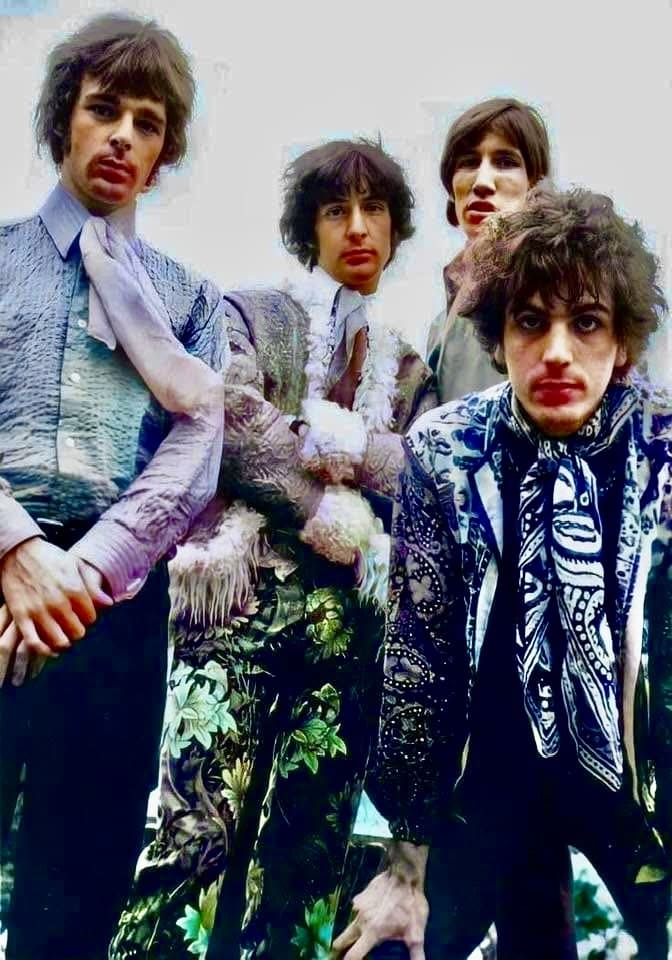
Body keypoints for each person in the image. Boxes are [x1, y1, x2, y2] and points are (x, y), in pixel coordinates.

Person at [109, 138, 436, 960]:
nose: (356, 227)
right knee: (192, 841)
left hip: (348, 633)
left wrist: (347, 444)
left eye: (374, 210)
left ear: (394, 228)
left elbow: (420, 470)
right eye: (336, 210)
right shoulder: (249, 311)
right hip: (237, 608)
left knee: (303, 866)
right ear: (307, 227)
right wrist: (331, 503)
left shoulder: (409, 364)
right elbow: (233, 422)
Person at [333, 186, 672, 960]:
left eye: (586, 322)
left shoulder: (662, 449)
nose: (556, 351)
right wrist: (404, 865)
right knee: (391, 944)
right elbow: (419, 664)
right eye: (531, 321)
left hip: (634, 784)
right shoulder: (446, 450)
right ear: (498, 336)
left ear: (622, 340)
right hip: (486, 772)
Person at [0, 14, 228, 960]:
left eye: (148, 123)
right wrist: (17, 550)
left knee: (78, 888)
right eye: (104, 110)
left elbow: (197, 446)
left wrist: (83, 571)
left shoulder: (189, 299)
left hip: (110, 605)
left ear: (164, 151)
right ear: (64, 118)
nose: (124, 137)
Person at [426, 97, 550, 402]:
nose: (482, 182)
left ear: (534, 183)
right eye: (468, 162)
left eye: (505, 162)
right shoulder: (441, 323)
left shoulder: (560, 287)